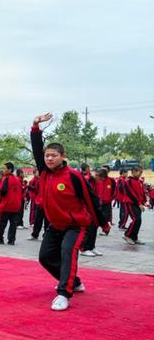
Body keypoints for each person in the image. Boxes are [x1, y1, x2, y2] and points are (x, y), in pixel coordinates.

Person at [31, 113, 109, 311]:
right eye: (47, 155)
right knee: (45, 257)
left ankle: (64, 294)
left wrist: (103, 222)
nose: (49, 158)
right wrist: (35, 126)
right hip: (55, 224)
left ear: (63, 156)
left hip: (76, 225)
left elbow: (91, 200)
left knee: (67, 253)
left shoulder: (74, 177)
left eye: (53, 155)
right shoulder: (45, 172)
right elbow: (36, 148)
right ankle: (74, 281)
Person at [0, 162, 22, 245]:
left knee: (1, 223)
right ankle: (11, 240)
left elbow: (3, 191)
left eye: (4, 168)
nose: (3, 170)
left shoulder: (6, 178)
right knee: (13, 224)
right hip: (16, 205)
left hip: (6, 204)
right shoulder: (17, 179)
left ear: (9, 170)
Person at [123, 165, 147, 245]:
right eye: (139, 172)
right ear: (133, 172)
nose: (140, 174)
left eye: (141, 172)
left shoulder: (139, 181)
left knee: (139, 220)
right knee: (136, 219)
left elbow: (142, 193)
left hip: (138, 203)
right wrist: (139, 203)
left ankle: (134, 237)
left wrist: (144, 202)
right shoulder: (128, 181)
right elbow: (131, 194)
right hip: (131, 203)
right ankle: (127, 235)